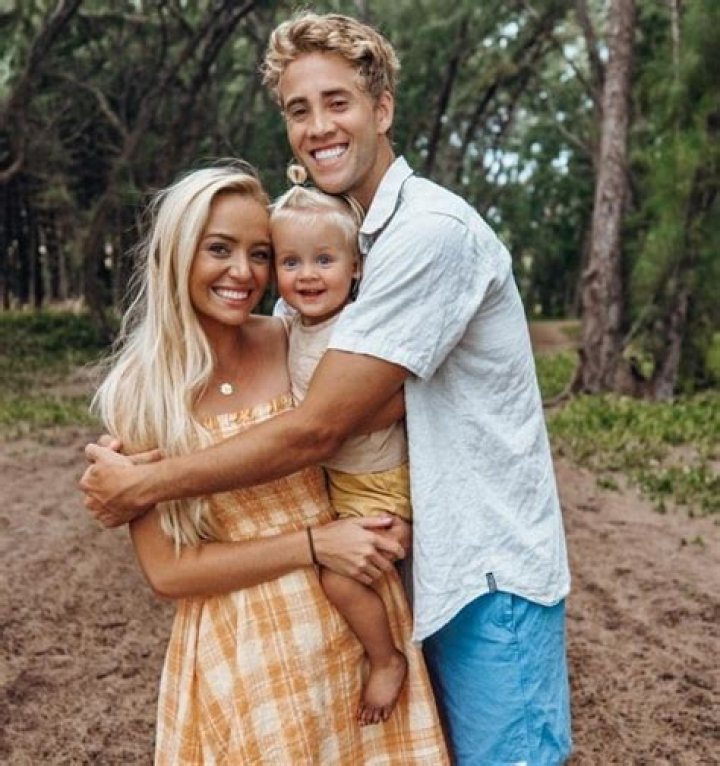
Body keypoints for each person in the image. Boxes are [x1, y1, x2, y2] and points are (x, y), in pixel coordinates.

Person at [81, 11, 572, 765]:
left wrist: (142, 484)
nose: (317, 127)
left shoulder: (426, 235)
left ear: (383, 109)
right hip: (406, 570)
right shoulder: (340, 259)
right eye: (298, 109)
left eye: (337, 102)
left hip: (484, 576)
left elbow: (318, 427)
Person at [90, 162, 449, 763]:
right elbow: (168, 573)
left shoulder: (291, 338)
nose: (243, 272)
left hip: (354, 620)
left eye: (260, 254)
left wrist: (400, 514)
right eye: (219, 249)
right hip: (247, 642)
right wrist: (313, 545)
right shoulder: (142, 393)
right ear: (176, 253)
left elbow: (392, 414)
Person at [271, 181, 411, 725]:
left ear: (355, 268)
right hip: (333, 478)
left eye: (324, 260)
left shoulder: (357, 327)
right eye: (291, 262)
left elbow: (401, 393)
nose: (307, 275)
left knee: (340, 578)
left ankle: (387, 659)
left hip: (377, 480)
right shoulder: (286, 324)